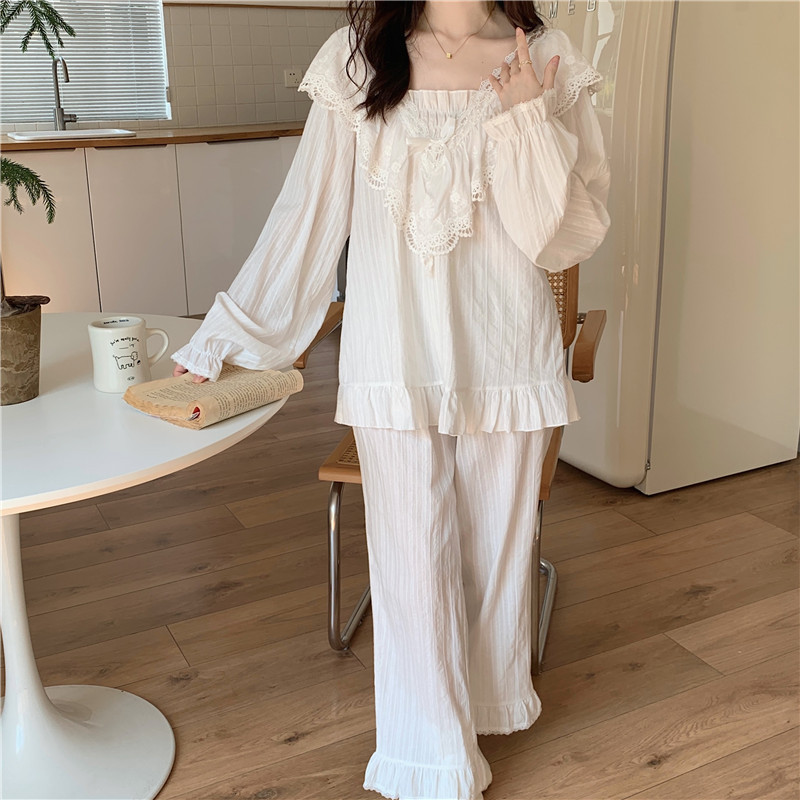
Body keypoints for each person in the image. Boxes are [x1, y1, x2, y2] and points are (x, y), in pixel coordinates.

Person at [171, 2, 611, 798]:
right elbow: (307, 218)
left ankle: (484, 707)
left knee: (495, 548)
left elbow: (567, 236)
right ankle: (429, 759)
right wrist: (231, 337)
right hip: (392, 351)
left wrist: (525, 118)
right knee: (410, 560)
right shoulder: (356, 57)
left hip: (506, 351)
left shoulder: (546, 56)